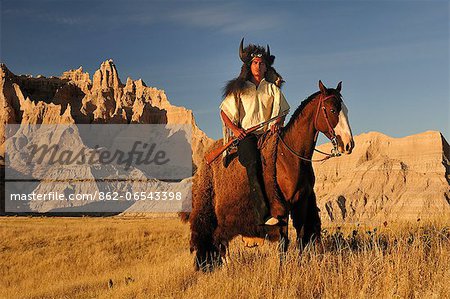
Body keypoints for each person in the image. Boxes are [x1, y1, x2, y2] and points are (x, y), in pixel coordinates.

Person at [219, 38, 290, 226]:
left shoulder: (272, 89)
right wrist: (235, 130)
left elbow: (282, 112)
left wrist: (278, 122)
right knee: (253, 162)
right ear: (249, 66)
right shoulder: (239, 89)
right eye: (255, 63)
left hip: (270, 135)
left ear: (266, 67)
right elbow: (224, 112)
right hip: (248, 136)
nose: (258, 66)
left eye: (262, 63)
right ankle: (263, 214)